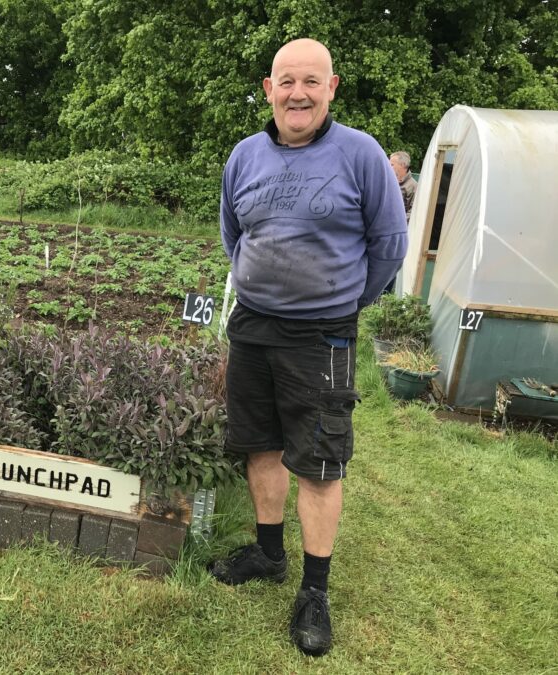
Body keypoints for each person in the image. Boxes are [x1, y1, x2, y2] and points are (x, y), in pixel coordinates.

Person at [212, 38, 407, 656]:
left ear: (332, 88)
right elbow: (233, 233)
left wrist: (343, 301)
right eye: (287, 82)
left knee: (320, 461)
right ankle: (269, 554)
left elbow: (389, 244)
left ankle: (314, 591)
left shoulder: (360, 154)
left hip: (321, 334)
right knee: (260, 443)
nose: (298, 94)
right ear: (269, 90)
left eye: (311, 82)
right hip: (253, 326)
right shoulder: (244, 155)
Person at [389, 151, 417, 221]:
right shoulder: (388, 181)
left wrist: (397, 223)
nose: (389, 167)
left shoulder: (413, 186)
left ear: (402, 165)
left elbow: (413, 212)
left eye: (392, 165)